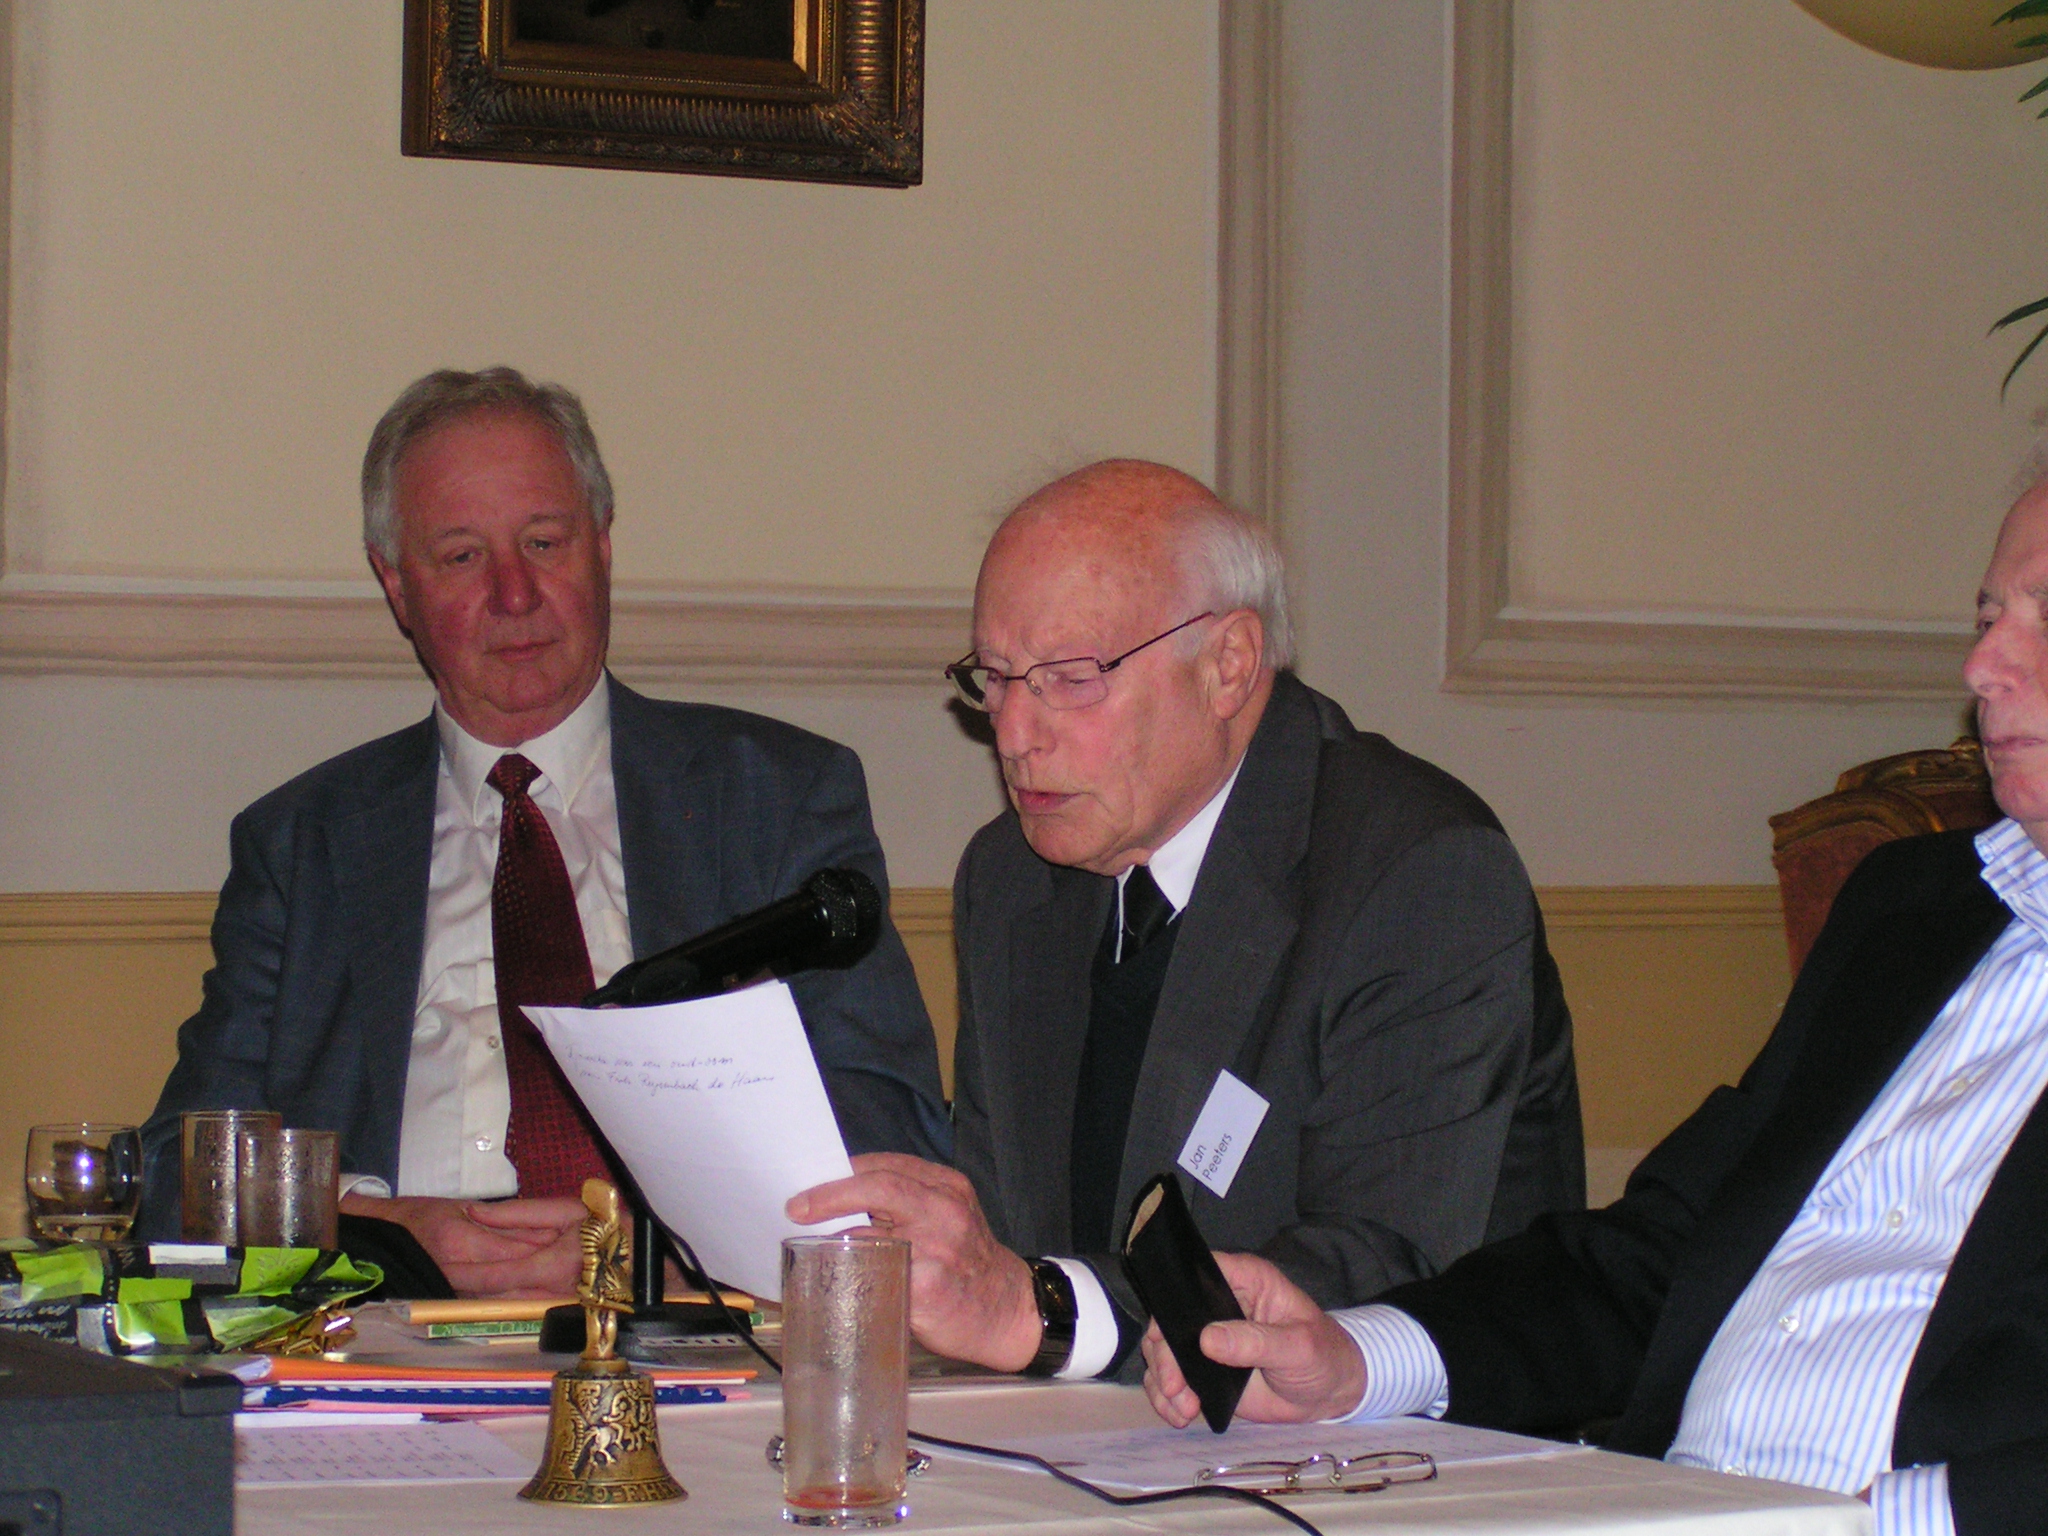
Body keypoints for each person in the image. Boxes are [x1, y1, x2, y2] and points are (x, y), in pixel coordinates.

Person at [1138, 479, 2048, 1536]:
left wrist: (1868, 1523)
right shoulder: (1912, 910)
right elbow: (1659, 1255)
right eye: (1987, 616)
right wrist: (1351, 1360)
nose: (1982, 666)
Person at [139, 367, 949, 1294]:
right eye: (461, 557)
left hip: (694, 1319)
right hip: (385, 1329)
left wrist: (671, 1242)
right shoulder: (304, 844)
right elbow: (178, 1172)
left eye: (543, 542)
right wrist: (380, 1228)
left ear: (601, 546)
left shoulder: (772, 798)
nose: (515, 594)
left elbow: (893, 1127)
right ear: (397, 587)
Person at [789, 460, 1582, 1378]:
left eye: (1070, 678)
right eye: (996, 679)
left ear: (1228, 666)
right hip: (1088, 1438)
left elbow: (1383, 1268)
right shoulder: (1012, 879)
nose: (1012, 735)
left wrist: (1038, 1311)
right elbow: (1009, 1241)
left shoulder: (1416, 873)